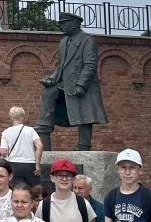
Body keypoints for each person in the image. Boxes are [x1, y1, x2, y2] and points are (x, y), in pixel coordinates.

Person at [36, 11, 108, 151]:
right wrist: (52, 79)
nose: (61, 27)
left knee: (85, 113)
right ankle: (44, 128)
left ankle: (84, 145)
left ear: (74, 24)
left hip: (81, 83)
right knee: (49, 93)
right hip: (64, 82)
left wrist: (82, 85)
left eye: (64, 23)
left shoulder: (87, 40)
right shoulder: (63, 42)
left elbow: (90, 65)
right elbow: (60, 65)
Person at [0, 106, 43, 186]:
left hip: (14, 165)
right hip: (30, 165)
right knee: (34, 190)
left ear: (11, 117)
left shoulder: (6, 132)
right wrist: (37, 164)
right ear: (22, 117)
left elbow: (3, 152)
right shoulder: (30, 130)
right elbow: (39, 146)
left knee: (17, 190)